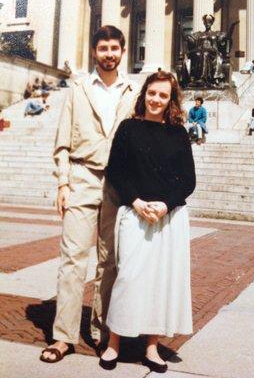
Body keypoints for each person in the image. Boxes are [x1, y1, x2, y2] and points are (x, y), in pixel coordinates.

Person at [40, 25, 139, 363]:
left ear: (122, 51)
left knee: (109, 262)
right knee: (72, 260)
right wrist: (63, 183)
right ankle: (63, 337)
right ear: (94, 52)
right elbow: (62, 141)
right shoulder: (78, 89)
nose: (109, 54)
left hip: (119, 184)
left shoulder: (133, 91)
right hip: (82, 177)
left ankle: (101, 333)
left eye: (114, 48)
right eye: (103, 48)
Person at [99, 71, 196, 373]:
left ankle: (151, 347)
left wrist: (165, 205)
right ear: (144, 95)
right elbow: (115, 171)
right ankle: (113, 342)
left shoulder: (179, 133)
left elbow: (188, 180)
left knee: (160, 282)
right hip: (135, 212)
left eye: (163, 95)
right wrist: (137, 202)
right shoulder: (129, 128)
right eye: (152, 93)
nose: (156, 100)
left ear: (171, 100)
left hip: (168, 217)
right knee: (128, 278)